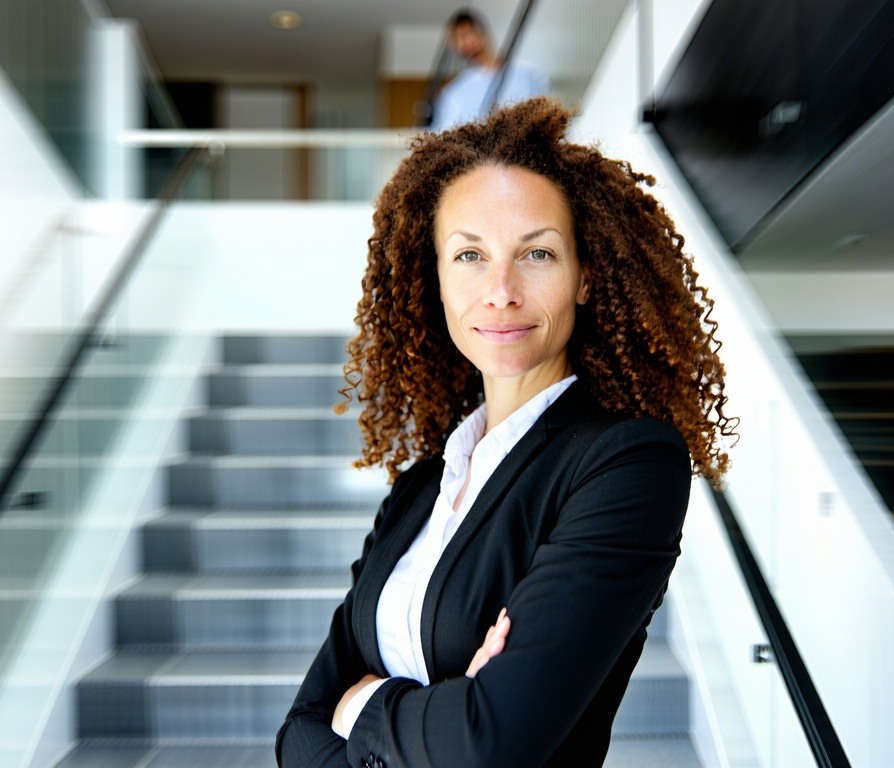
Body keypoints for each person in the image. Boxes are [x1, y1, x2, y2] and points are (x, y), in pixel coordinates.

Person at [276, 97, 735, 768]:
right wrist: (440, 708)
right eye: (468, 255)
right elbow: (297, 733)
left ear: (585, 277)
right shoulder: (420, 489)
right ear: (431, 278)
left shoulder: (627, 464)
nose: (500, 290)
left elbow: (490, 745)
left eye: (538, 254)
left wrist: (363, 706)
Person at [428, 8, 548, 132]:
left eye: (465, 35)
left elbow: (545, 117)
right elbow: (444, 133)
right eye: (455, 39)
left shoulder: (527, 74)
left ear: (482, 33)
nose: (460, 43)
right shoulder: (453, 91)